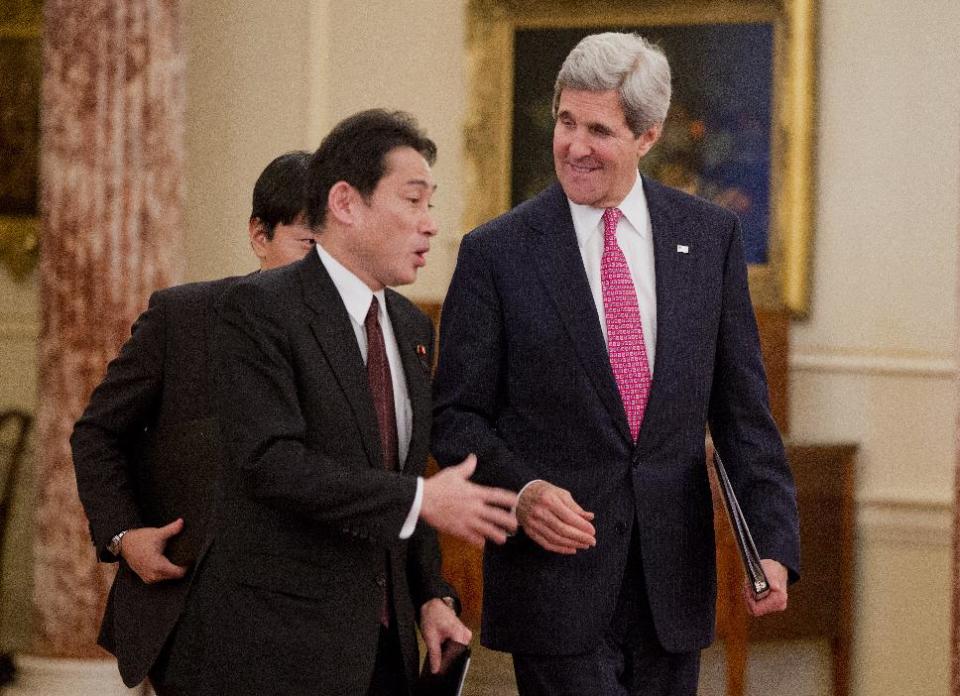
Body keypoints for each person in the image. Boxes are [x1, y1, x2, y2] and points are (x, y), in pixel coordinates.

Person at [432, 32, 801, 696]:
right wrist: (522, 492)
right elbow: (455, 417)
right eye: (566, 122)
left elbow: (743, 413)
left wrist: (771, 543)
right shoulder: (497, 252)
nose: (574, 145)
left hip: (671, 589)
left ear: (649, 135)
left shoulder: (709, 237)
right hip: (553, 585)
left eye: (598, 129)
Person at [185, 109, 518, 696]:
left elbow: (400, 480)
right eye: (413, 201)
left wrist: (430, 596)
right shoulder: (258, 310)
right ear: (345, 202)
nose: (430, 225)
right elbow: (272, 464)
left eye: (430, 205)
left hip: (384, 652)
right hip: (281, 651)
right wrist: (421, 497)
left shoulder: (413, 326)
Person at [70, 150, 317, 693]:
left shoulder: (368, 338)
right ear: (260, 234)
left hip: (321, 622)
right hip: (201, 613)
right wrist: (123, 534)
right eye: (309, 244)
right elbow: (97, 433)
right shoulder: (184, 319)